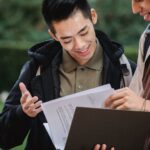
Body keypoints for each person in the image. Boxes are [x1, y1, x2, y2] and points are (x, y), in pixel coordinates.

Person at [0, 0, 136, 150]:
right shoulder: (36, 70)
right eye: (67, 39)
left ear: (93, 16)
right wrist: (22, 113)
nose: (79, 45)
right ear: (53, 35)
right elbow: (5, 138)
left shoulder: (127, 71)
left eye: (83, 32)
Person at [101, 0, 150, 149]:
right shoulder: (147, 38)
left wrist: (143, 105)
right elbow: (134, 99)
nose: (134, 9)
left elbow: (139, 104)